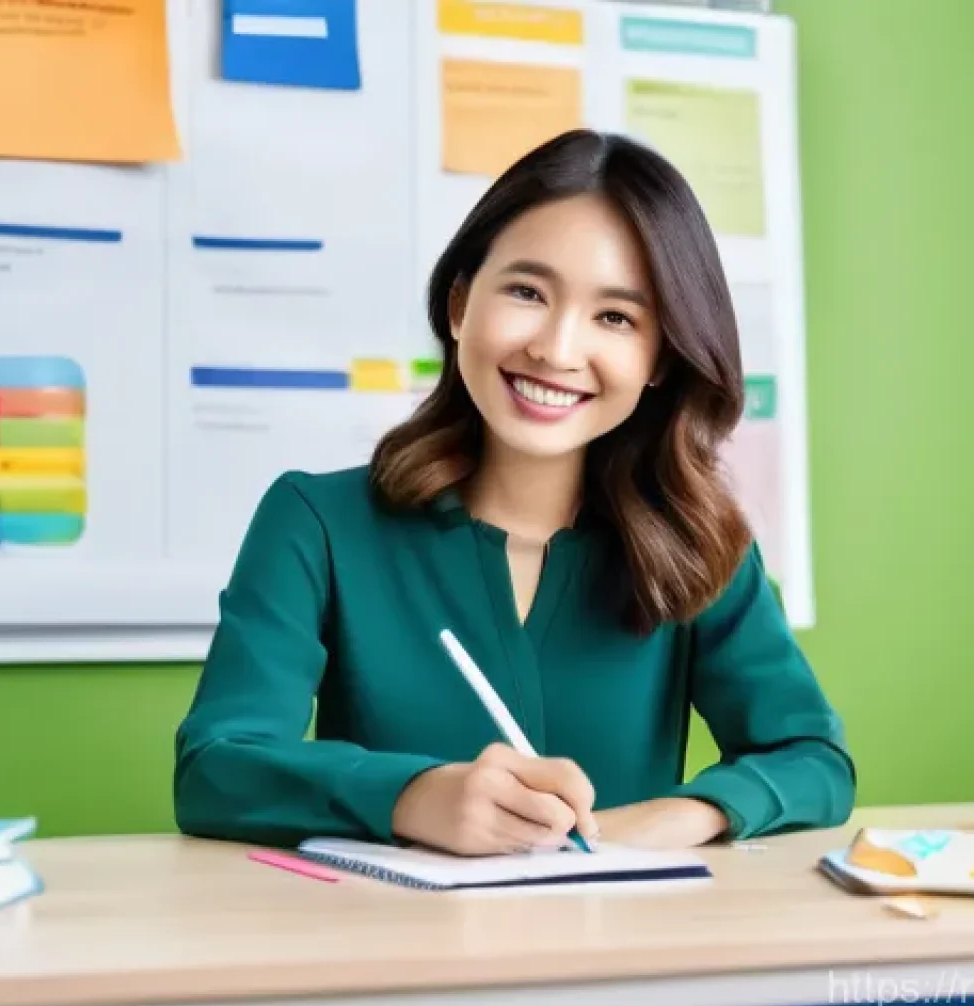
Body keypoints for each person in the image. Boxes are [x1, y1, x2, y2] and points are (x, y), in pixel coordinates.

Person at [173, 130, 856, 857]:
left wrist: (686, 813)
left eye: (616, 318)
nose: (557, 350)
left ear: (660, 358)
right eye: (527, 292)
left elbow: (815, 761)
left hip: (626, 953)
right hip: (390, 952)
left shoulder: (699, 545)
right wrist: (413, 797)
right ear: (462, 304)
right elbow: (215, 768)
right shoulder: (317, 524)